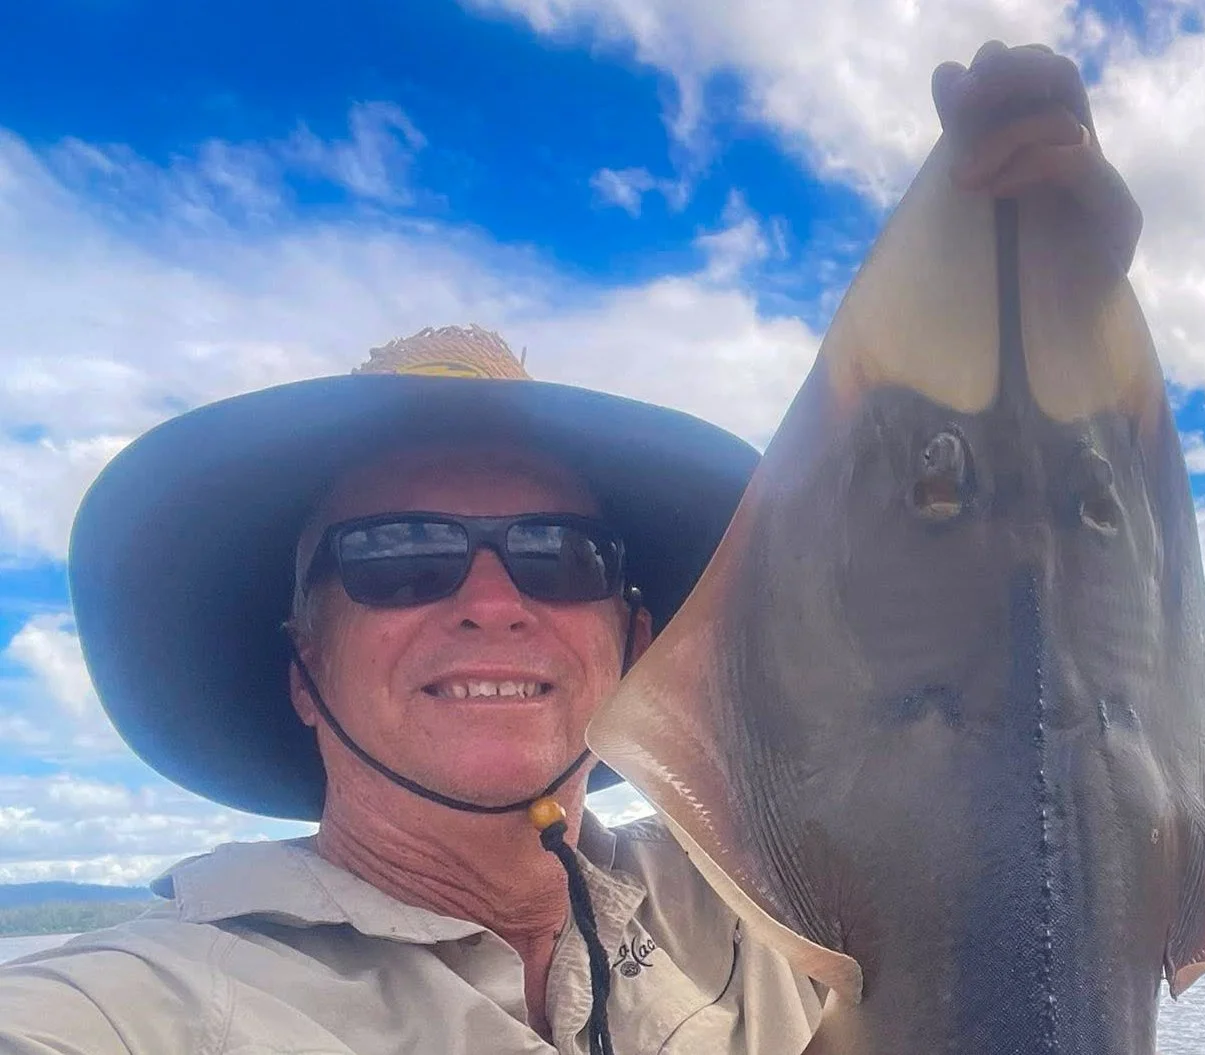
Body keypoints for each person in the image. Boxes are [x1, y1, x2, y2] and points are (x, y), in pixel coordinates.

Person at [0, 41, 1142, 1055]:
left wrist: (1055, 326)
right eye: (400, 554)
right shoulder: (140, 1008)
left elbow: (1003, 725)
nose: (492, 598)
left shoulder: (775, 914)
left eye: (555, 553)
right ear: (304, 665)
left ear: (632, 637)